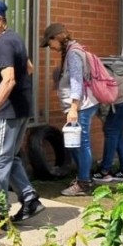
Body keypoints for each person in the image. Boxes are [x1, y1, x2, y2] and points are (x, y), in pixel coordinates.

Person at [0, 0, 45, 223]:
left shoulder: (2, 44)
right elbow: (28, 68)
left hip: (6, 113)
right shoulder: (14, 39)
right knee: (9, 158)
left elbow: (9, 79)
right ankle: (30, 199)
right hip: (19, 110)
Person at [40, 23, 100, 196]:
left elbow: (76, 81)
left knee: (81, 143)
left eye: (50, 43)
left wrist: (73, 108)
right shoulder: (71, 51)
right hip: (80, 106)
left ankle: (84, 183)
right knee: (74, 143)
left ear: (57, 37)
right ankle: (83, 178)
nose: (50, 47)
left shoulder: (73, 53)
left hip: (81, 106)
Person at [93, 73, 123, 181]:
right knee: (117, 132)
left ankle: (104, 171)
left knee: (111, 131)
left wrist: (105, 122)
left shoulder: (90, 83)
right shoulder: (94, 75)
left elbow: (103, 106)